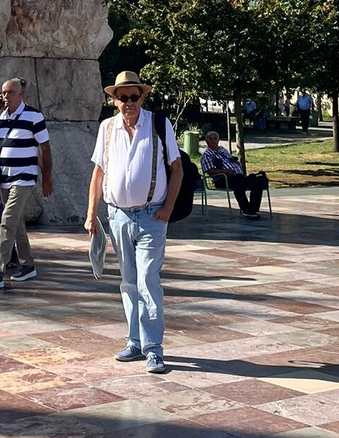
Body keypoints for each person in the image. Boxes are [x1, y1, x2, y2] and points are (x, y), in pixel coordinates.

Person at [85, 71, 183, 375]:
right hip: (118, 216)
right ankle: (135, 341)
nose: (129, 102)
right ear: (113, 101)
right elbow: (99, 173)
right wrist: (91, 213)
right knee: (128, 281)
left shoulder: (158, 124)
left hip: (152, 216)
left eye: (134, 96)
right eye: (122, 97)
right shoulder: (107, 128)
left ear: (142, 97)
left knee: (147, 280)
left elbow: (176, 169)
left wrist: (167, 209)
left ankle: (154, 349)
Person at [0, 77, 52, 289]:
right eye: (3, 92)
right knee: (16, 223)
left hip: (24, 176)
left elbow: (45, 148)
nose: (5, 96)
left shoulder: (34, 116)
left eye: (10, 92)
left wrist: (47, 177)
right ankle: (28, 265)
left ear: (22, 95)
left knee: (7, 221)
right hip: (4, 177)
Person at [200, 130, 268, 220]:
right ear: (206, 141)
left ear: (218, 140)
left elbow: (232, 160)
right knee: (239, 185)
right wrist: (225, 171)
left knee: (256, 182)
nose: (213, 141)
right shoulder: (207, 155)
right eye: (210, 139)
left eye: (215, 138)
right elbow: (210, 171)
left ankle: (252, 209)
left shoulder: (223, 150)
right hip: (222, 179)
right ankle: (246, 209)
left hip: (237, 176)